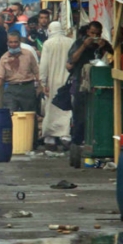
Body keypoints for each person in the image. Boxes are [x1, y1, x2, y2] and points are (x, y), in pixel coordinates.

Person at [67, 21, 112, 149]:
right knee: (80, 115)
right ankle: (76, 142)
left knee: (99, 114)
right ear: (88, 32)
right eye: (92, 33)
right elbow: (72, 59)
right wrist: (84, 46)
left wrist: (104, 48)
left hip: (99, 84)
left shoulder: (104, 45)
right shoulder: (79, 43)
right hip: (81, 83)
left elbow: (112, 59)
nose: (94, 36)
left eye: (97, 34)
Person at [0, 29, 41, 118]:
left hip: (27, 88)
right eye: (11, 42)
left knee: (30, 116)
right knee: (11, 115)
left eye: (15, 42)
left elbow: (37, 72)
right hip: (12, 89)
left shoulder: (28, 55)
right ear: (7, 43)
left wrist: (41, 87)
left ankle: (32, 132)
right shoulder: (4, 58)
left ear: (20, 42)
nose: (13, 44)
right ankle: (13, 132)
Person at [39, 22, 72, 150]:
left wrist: (43, 82)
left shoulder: (48, 44)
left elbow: (44, 65)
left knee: (51, 108)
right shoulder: (71, 42)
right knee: (67, 109)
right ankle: (65, 135)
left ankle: (50, 138)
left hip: (52, 82)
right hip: (67, 81)